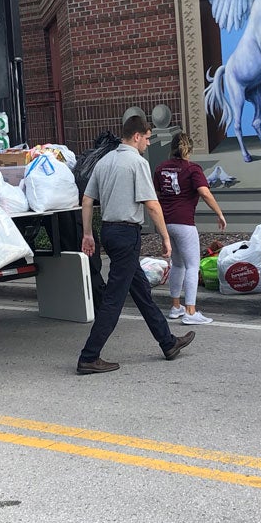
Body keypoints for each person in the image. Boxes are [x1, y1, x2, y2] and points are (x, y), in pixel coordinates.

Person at [77, 115, 196, 374]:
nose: (149, 143)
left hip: (108, 231)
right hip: (127, 233)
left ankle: (168, 343)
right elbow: (151, 204)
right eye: (148, 138)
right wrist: (165, 237)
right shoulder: (136, 163)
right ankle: (89, 356)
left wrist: (88, 234)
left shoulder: (104, 161)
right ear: (137, 136)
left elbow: (87, 200)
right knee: (113, 300)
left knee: (141, 292)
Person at [153, 132, 227, 325]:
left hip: (166, 222)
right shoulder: (193, 169)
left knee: (177, 265)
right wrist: (219, 213)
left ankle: (175, 306)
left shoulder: (160, 168)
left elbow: (157, 194)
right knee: (193, 266)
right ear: (190, 150)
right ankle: (191, 311)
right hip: (184, 222)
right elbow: (204, 192)